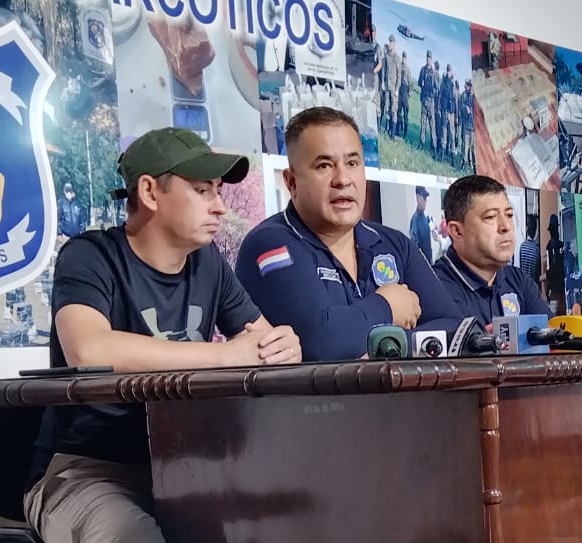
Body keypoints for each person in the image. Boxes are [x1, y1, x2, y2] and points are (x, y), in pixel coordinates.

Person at [24, 127, 302, 543]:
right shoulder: (90, 257)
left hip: (182, 467)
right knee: (131, 542)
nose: (219, 205)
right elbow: (88, 350)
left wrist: (278, 344)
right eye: (202, 190)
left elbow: (257, 342)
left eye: (218, 191)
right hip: (83, 473)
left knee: (282, 526)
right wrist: (221, 354)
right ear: (149, 191)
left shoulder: (210, 265)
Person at [236, 106, 456, 362]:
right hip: (311, 403)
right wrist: (387, 305)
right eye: (324, 166)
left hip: (402, 401)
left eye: (352, 163)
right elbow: (322, 342)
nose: (343, 179)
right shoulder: (269, 244)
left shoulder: (394, 244)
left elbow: (453, 328)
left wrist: (385, 346)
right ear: (291, 182)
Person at [432, 175, 552, 324]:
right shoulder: (435, 288)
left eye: (508, 215)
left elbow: (551, 340)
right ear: (457, 231)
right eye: (490, 217)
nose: (506, 226)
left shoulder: (518, 281)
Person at [408, 185, 432, 261]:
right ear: (418, 198)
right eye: (423, 198)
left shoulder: (425, 218)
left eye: (426, 199)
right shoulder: (415, 219)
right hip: (421, 263)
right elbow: (414, 245)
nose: (425, 201)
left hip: (429, 262)